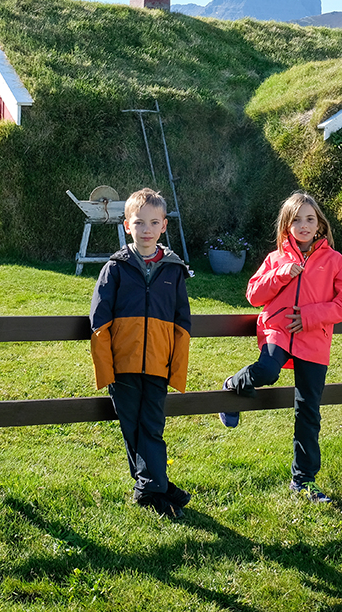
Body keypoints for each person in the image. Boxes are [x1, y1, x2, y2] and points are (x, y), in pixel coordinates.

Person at [219, 191, 342, 503]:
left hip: (314, 340)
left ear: (320, 224)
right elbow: (254, 295)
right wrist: (280, 275)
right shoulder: (276, 258)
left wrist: (310, 317)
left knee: (308, 411)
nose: (304, 225)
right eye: (297, 219)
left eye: (310, 219)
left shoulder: (335, 261)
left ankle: (303, 482)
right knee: (267, 371)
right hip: (278, 330)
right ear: (287, 225)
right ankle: (234, 384)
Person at [89, 187, 192, 518]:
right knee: (132, 425)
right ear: (126, 226)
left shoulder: (174, 270)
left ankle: (151, 487)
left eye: (153, 223)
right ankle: (156, 487)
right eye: (139, 223)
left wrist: (176, 368)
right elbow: (99, 321)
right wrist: (106, 368)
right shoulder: (115, 268)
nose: (146, 230)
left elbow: (182, 323)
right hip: (124, 364)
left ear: (163, 226)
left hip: (159, 364)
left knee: (151, 426)